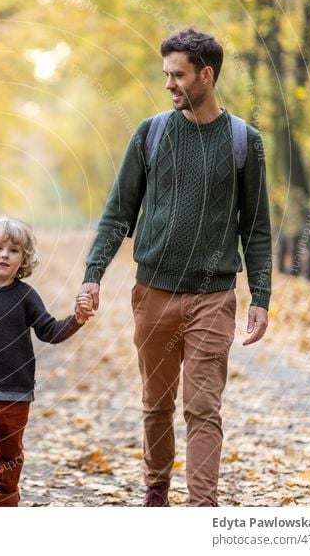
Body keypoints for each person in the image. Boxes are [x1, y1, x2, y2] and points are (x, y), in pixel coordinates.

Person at [77, 28, 272, 507]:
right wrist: (92, 274)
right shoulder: (151, 133)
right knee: (157, 405)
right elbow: (118, 212)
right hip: (153, 295)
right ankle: (156, 492)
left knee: (204, 408)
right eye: (166, 74)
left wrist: (261, 297)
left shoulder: (245, 142)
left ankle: (203, 510)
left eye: (178, 75)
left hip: (214, 297)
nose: (169, 84)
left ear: (206, 75)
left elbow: (257, 229)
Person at [0, 217, 93, 507]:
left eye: (14, 250)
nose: (5, 254)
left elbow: (50, 331)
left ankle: (7, 502)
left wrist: (77, 319)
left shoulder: (26, 296)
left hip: (16, 392)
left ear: (24, 259)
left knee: (10, 453)